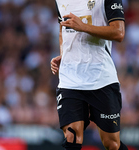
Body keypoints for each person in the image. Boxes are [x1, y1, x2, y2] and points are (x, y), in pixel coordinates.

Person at [51, 0, 127, 149]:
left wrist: (83, 27)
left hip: (101, 78)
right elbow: (63, 29)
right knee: (72, 137)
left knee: (112, 144)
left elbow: (119, 32)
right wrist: (64, 54)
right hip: (70, 79)